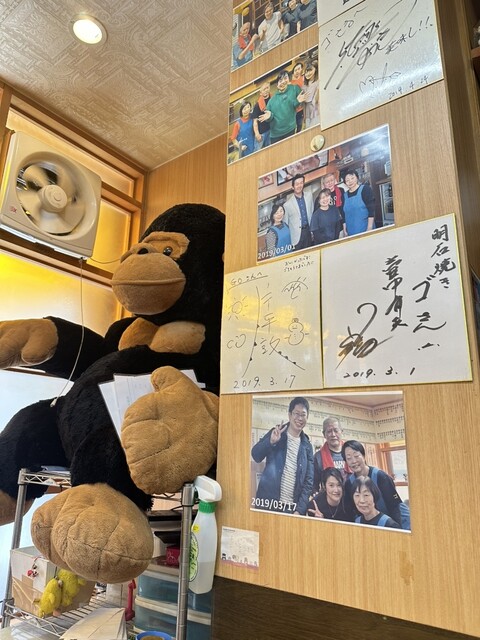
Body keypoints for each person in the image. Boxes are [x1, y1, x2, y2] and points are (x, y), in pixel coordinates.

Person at [251, 397, 314, 516]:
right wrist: (271, 442)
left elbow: (308, 482)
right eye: (296, 414)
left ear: (307, 417)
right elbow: (256, 455)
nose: (300, 418)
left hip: (291, 509)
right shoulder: (276, 433)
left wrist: (299, 510)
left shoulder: (307, 446)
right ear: (289, 415)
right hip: (268, 504)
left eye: (303, 415)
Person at [342, 440, 403, 527]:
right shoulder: (349, 483)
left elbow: (395, 507)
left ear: (363, 456)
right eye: (349, 458)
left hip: (386, 525)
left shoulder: (381, 476)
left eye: (356, 456)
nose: (354, 461)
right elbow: (352, 511)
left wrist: (396, 529)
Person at [257, 70, 306, 145]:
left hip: (290, 129)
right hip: (275, 134)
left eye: (285, 78)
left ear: (288, 79)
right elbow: (269, 116)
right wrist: (269, 116)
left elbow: (295, 105)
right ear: (277, 85)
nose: (283, 82)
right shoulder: (272, 101)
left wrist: (298, 101)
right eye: (280, 81)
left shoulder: (294, 89)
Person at [312, 417, 350, 493]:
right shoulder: (318, 457)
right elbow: (314, 486)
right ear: (324, 434)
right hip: (329, 498)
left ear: (341, 431)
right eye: (329, 431)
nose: (333, 434)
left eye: (336, 430)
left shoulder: (351, 452)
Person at [339, 169, 376, 237]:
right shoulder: (343, 196)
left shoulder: (365, 189)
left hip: (366, 230)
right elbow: (343, 215)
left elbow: (371, 210)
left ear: (357, 178)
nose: (350, 181)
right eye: (347, 180)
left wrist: (369, 228)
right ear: (345, 183)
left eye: (352, 178)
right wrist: (344, 229)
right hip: (351, 232)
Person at [283, 173, 314, 250]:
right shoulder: (287, 205)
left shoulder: (309, 196)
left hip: (308, 232)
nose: (299, 186)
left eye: (301, 183)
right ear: (292, 187)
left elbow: (312, 211)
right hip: (295, 237)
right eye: (297, 184)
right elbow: (286, 224)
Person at [252, 81, 272, 150]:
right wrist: (257, 133)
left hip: (271, 129)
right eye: (264, 89)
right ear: (260, 93)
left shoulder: (273, 99)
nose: (266, 90)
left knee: (269, 149)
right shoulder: (257, 105)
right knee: (257, 150)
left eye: (267, 88)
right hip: (261, 133)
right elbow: (255, 121)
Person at [302, 62, 319, 129]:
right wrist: (304, 116)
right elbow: (304, 104)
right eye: (306, 72)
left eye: (310, 70)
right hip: (307, 112)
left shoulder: (318, 82)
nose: (307, 73)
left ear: (315, 69)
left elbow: (316, 100)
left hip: (315, 110)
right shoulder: (304, 86)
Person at [290, 61, 305, 133]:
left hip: (305, 105)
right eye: (295, 70)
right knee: (298, 125)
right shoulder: (290, 83)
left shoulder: (304, 78)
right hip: (296, 109)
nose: (297, 71)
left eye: (299, 69)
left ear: (301, 69)